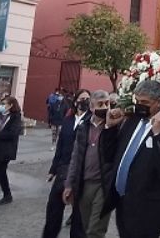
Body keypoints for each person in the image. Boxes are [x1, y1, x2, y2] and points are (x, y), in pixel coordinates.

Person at [101, 80, 160, 238]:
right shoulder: (132, 120)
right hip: (124, 205)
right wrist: (110, 128)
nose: (140, 105)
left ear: (158, 102)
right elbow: (110, 155)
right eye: (137, 101)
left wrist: (158, 134)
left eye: (145, 102)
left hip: (149, 211)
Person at [63, 90, 114, 238]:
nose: (104, 107)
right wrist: (69, 184)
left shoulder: (113, 127)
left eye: (107, 103)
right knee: (85, 227)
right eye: (100, 104)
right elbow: (75, 157)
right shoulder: (83, 127)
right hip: (85, 183)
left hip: (103, 184)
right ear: (91, 107)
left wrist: (110, 126)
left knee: (95, 231)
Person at [43, 89, 91, 238]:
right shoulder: (68, 120)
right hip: (64, 169)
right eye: (82, 99)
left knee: (79, 216)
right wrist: (53, 169)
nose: (85, 102)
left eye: (87, 99)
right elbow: (61, 145)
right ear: (76, 101)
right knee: (53, 210)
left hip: (82, 171)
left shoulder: (92, 121)